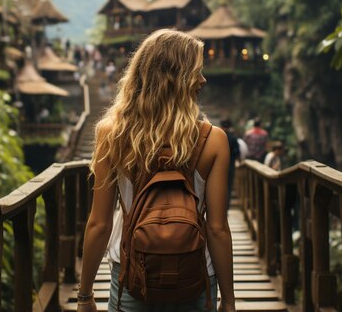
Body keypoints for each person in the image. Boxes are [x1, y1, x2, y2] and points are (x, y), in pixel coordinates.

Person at [77, 29, 236, 312]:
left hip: (131, 274)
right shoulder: (213, 140)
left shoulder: (112, 135)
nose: (203, 80)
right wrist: (229, 300)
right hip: (196, 275)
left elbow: (99, 224)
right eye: (197, 72)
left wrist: (85, 295)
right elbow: (218, 227)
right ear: (177, 77)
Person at [220, 119, 239, 210]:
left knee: (219, 186)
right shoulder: (233, 138)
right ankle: (226, 207)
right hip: (230, 166)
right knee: (228, 187)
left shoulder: (217, 137)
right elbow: (237, 153)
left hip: (218, 167)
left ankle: (219, 207)